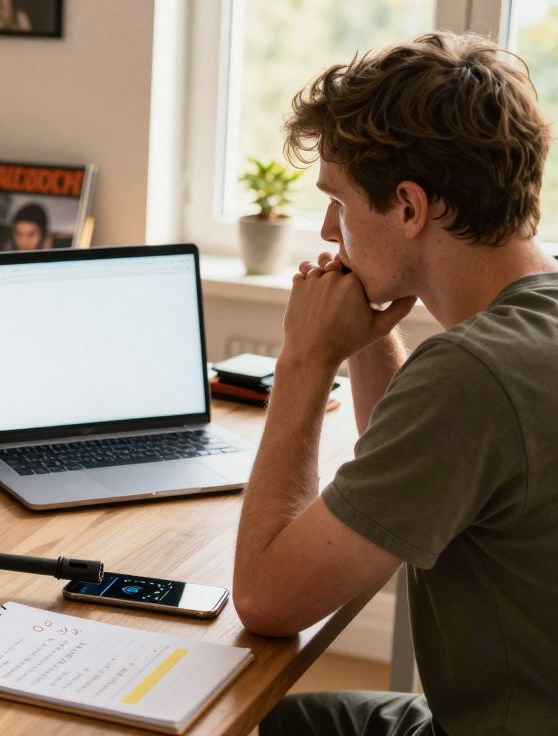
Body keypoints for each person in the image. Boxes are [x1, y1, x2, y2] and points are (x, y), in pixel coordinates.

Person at [231, 32, 558, 735]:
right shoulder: (530, 330)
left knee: (240, 717)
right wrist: (363, 343)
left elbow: (264, 597)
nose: (326, 228)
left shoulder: (474, 375)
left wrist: (303, 361)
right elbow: (417, 470)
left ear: (409, 207)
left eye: (339, 203)